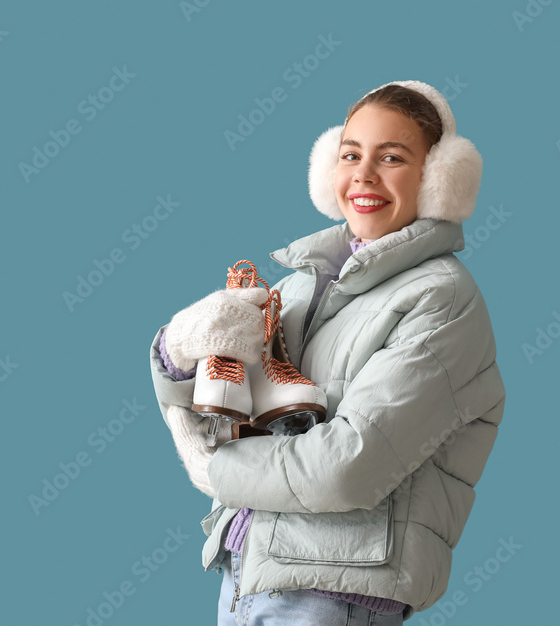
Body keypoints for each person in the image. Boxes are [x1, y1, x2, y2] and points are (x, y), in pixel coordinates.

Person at [149, 80, 505, 624]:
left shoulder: (441, 298)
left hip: (333, 591)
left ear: (438, 178)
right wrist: (178, 351)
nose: (364, 173)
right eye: (350, 154)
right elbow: (228, 406)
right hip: (246, 571)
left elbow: (350, 465)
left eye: (392, 157)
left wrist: (216, 469)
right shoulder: (298, 286)